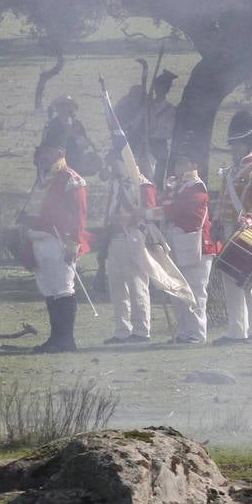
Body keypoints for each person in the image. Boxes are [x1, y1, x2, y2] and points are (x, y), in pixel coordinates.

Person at [18, 130, 91, 353]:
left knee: (62, 290)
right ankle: (55, 338)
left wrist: (74, 243)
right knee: (49, 290)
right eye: (42, 152)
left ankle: (66, 340)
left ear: (60, 152)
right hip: (39, 241)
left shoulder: (72, 179)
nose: (43, 156)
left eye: (48, 152)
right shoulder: (42, 178)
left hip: (59, 242)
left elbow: (78, 215)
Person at [213, 111, 252, 345]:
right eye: (232, 144)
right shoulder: (229, 172)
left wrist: (249, 218)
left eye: (237, 144)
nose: (233, 148)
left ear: (248, 143)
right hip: (231, 233)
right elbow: (222, 201)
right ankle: (237, 331)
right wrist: (218, 223)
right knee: (232, 282)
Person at [150, 145, 217, 344]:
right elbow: (166, 206)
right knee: (178, 290)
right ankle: (183, 332)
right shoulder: (176, 186)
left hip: (196, 246)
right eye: (178, 162)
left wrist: (147, 213)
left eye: (184, 162)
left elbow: (179, 211)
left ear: (194, 165)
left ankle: (196, 334)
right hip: (178, 245)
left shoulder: (196, 186)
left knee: (195, 291)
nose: (179, 166)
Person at [100, 147, 157, 344]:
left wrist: (129, 217)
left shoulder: (142, 184)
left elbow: (150, 213)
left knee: (137, 285)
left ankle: (141, 330)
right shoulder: (115, 184)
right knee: (117, 286)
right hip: (115, 238)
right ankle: (122, 330)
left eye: (115, 162)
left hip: (134, 237)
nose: (112, 167)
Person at [42, 95, 102, 178]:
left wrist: (93, 149)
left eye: (66, 106)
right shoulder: (53, 124)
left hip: (76, 156)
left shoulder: (77, 124)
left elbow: (84, 140)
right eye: (61, 106)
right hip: (57, 158)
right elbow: (48, 144)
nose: (63, 109)